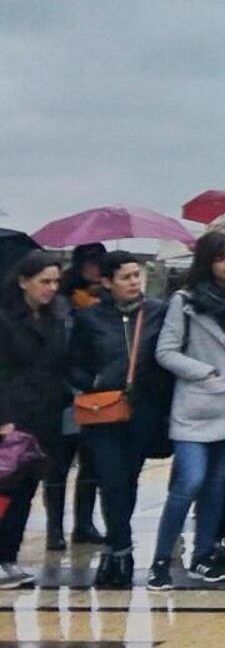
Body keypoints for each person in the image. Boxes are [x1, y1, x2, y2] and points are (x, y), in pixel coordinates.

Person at [148, 231, 225, 590]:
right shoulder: (186, 300)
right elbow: (165, 351)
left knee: (217, 486)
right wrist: (202, 371)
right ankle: (161, 560)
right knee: (190, 481)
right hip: (197, 405)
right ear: (207, 262)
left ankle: (203, 555)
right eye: (222, 257)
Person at [66, 252, 170, 588]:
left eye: (136, 276)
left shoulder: (156, 312)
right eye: (125, 277)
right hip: (104, 411)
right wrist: (92, 384)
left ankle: (116, 547)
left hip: (145, 410)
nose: (133, 282)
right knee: (109, 478)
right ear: (107, 282)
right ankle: (121, 548)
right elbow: (73, 363)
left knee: (129, 478)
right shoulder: (90, 318)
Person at [0, 252, 68, 588]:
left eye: (56, 281)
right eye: (45, 281)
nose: (51, 288)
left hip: (45, 415)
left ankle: (9, 558)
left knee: (26, 489)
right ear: (24, 281)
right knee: (4, 489)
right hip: (13, 415)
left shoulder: (56, 318)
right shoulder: (5, 319)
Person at [46, 244, 109, 552]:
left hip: (99, 394)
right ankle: (54, 528)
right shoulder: (61, 303)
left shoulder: (105, 303)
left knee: (92, 463)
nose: (95, 268)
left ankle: (84, 523)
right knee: (58, 464)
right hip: (64, 394)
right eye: (90, 262)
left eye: (100, 262)